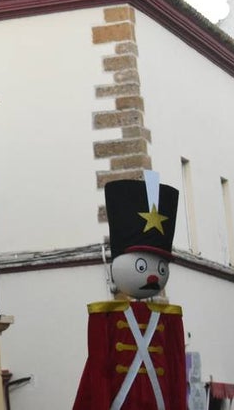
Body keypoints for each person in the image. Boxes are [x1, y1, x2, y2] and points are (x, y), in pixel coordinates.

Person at [73, 173, 186, 409]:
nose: (154, 275)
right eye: (142, 266)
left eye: (160, 267)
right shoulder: (104, 316)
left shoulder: (171, 319)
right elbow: (99, 372)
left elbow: (176, 372)